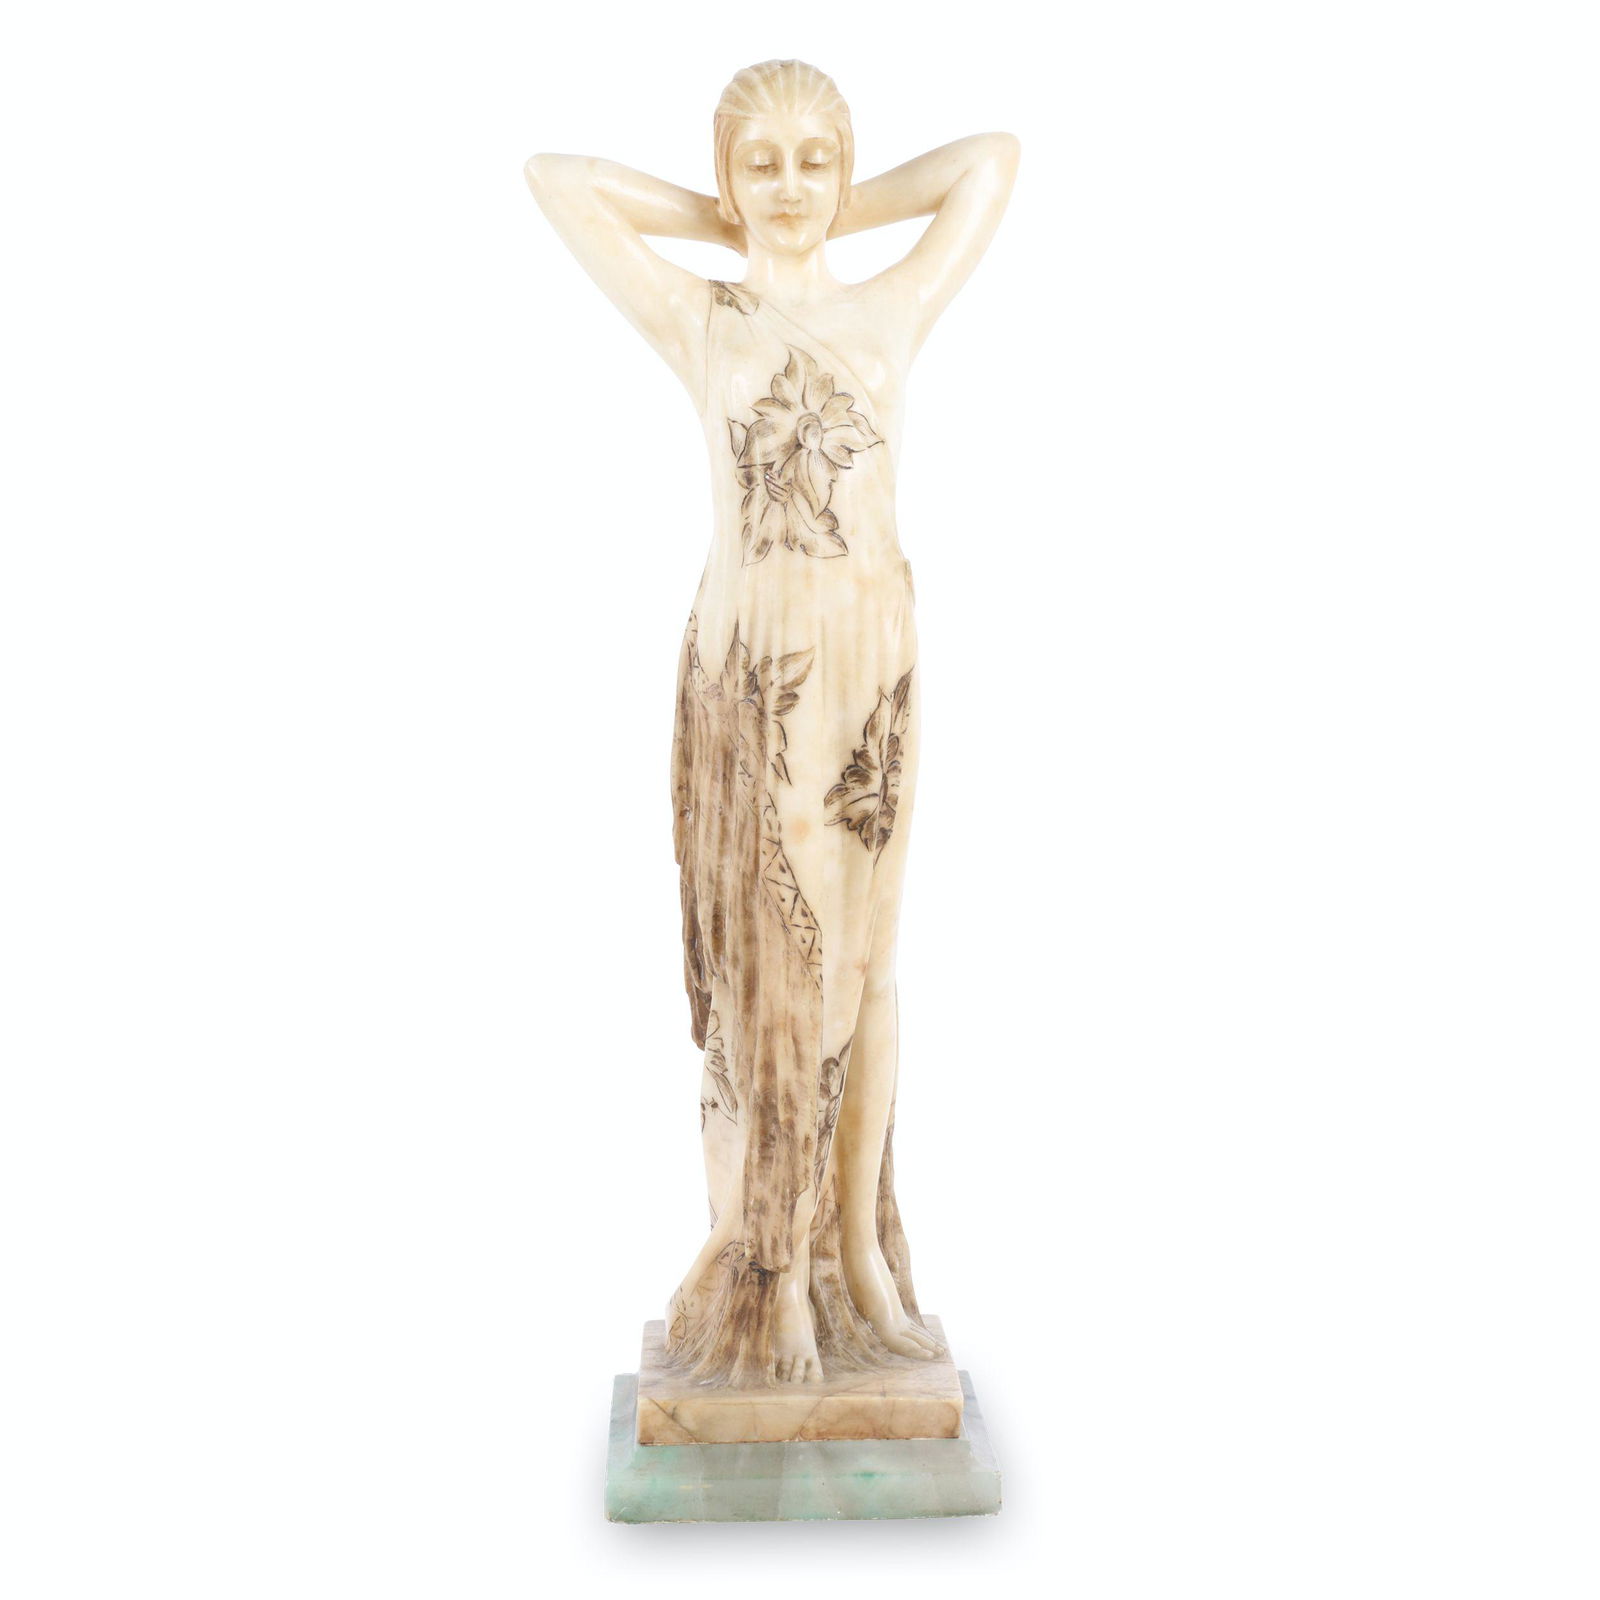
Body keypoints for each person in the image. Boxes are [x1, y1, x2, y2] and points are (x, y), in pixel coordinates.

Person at [526, 60, 1018, 1387]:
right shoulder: (707, 318)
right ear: (727, 176)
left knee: (870, 968)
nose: (790, 187)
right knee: (778, 981)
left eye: (815, 161)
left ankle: (859, 1255)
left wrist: (830, 206)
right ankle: (772, 1266)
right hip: (761, 669)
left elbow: (992, 159)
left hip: (876, 661)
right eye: (763, 163)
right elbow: (557, 182)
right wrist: (727, 218)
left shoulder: (890, 306)